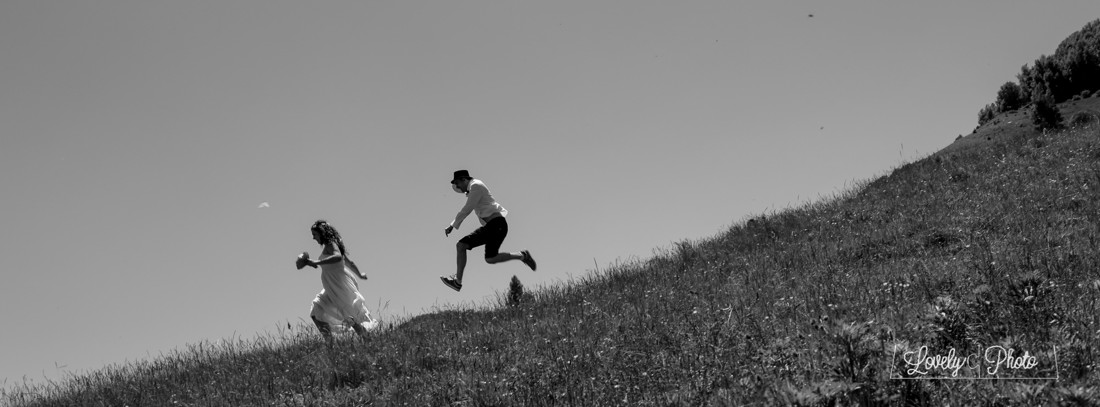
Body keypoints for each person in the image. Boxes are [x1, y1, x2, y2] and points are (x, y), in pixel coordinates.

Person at [441, 170, 536, 292]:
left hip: (496, 225)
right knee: (490, 258)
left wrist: (452, 225)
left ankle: (457, 282)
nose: (458, 187)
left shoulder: (476, 186)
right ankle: (522, 256)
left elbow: (467, 208)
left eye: (457, 183)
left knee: (461, 245)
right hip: (496, 226)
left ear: (464, 179)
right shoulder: (473, 189)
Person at [298, 220, 377, 343]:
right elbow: (349, 263)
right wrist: (360, 275)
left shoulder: (331, 244)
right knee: (316, 308)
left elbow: (338, 257)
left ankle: (369, 341)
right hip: (331, 287)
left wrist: (317, 262)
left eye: (315, 234)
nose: (313, 238)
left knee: (351, 317)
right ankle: (330, 344)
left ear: (322, 233)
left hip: (339, 285)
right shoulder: (329, 246)